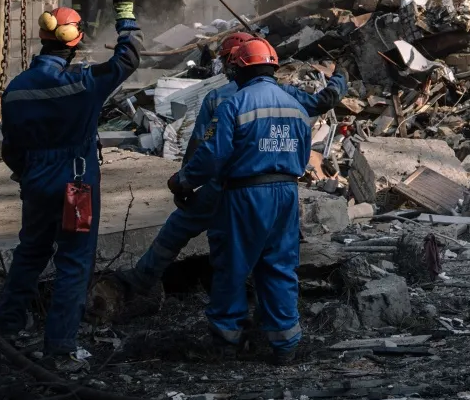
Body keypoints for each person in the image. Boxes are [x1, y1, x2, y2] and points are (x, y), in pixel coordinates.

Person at [106, 33, 344, 309]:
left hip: (230, 188)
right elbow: (322, 104)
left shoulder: (222, 98)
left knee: (188, 233)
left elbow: (204, 149)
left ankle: (143, 280)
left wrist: (185, 182)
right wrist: (341, 76)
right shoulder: (289, 97)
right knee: (276, 259)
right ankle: (278, 324)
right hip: (282, 190)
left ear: (236, 63)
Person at [0, 0, 142, 366]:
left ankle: (7, 328)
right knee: (74, 260)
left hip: (35, 180)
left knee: (30, 252)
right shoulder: (84, 82)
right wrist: (125, 15)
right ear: (76, 42)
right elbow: (128, 58)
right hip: (76, 183)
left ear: (43, 39)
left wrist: (27, 174)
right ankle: (59, 347)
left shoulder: (17, 88)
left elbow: (10, 147)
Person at [173, 35, 315, 363]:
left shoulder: (234, 104)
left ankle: (227, 341)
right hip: (286, 195)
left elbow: (211, 156)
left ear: (240, 69)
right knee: (280, 266)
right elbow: (304, 155)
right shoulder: (296, 107)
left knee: (232, 266)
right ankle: (286, 344)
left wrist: (183, 181)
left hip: (245, 195)